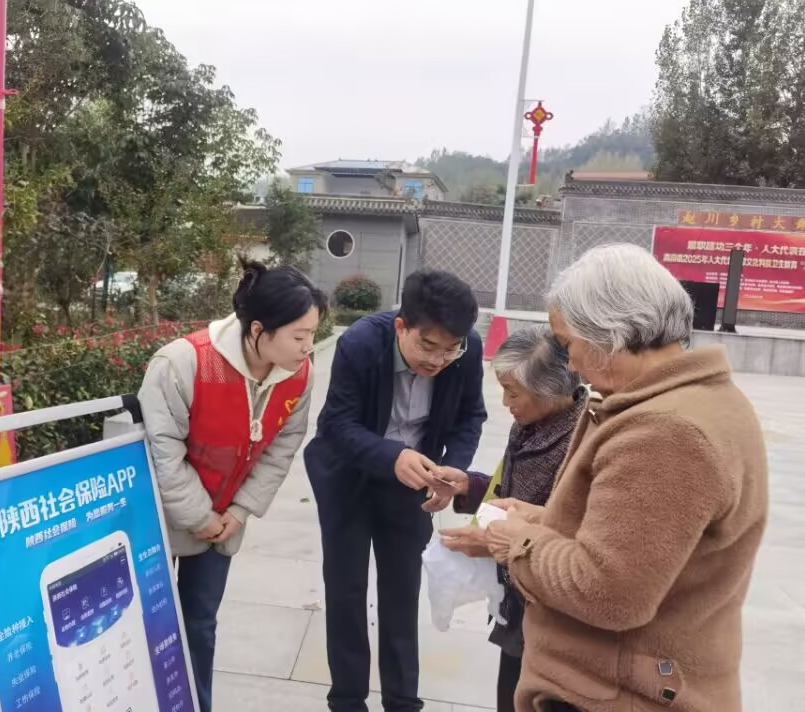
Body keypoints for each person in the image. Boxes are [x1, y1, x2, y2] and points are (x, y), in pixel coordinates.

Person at [441, 244, 769, 712]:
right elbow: (634, 541)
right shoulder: (697, 401)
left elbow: (610, 592)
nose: (572, 364)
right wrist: (542, 518)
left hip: (613, 694)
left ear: (607, 334)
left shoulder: (664, 433)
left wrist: (516, 541)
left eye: (569, 345)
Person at [139, 259, 328, 712]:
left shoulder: (297, 375)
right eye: (299, 336)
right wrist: (199, 517)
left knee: (200, 625)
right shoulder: (182, 362)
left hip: (223, 519)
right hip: (157, 520)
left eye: (313, 335)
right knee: (149, 627)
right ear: (258, 330)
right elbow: (162, 452)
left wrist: (238, 512)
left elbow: (281, 448)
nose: (308, 347)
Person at [305, 269, 488, 712]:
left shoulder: (467, 349)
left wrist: (452, 469)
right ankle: (347, 700)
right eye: (428, 346)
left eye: (450, 349)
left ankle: (402, 702)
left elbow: (470, 416)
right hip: (349, 474)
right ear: (402, 326)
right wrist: (391, 455)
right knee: (346, 589)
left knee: (402, 591)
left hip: (414, 479)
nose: (439, 360)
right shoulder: (361, 343)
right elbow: (336, 424)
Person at [450, 326, 585, 712]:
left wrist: (497, 540)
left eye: (513, 392)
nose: (506, 402)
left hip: (553, 612)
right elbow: (509, 491)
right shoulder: (528, 426)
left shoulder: (581, 440)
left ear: (549, 390)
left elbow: (575, 527)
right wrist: (469, 485)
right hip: (517, 601)